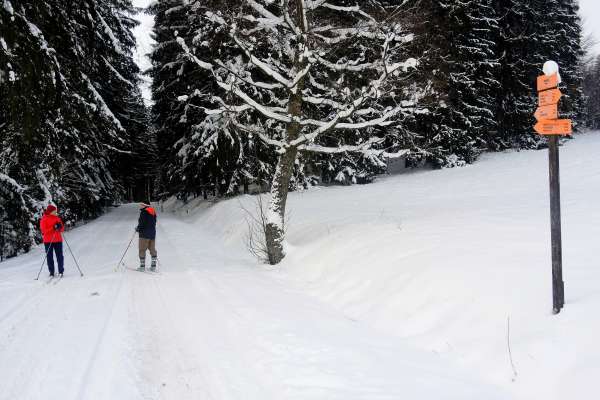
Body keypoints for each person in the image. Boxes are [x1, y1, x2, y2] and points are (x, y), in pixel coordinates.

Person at [40, 204, 65, 277]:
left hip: (58, 240)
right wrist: (53, 228)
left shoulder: (57, 218)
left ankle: (61, 271)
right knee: (49, 257)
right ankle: (51, 272)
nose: (55, 212)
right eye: (54, 211)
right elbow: (44, 231)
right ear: (50, 211)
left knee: (60, 256)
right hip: (48, 241)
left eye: (55, 211)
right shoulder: (44, 219)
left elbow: (62, 229)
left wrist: (60, 227)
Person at [136, 203, 157, 271]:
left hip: (144, 235)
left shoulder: (144, 212)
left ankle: (142, 267)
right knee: (152, 249)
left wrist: (138, 228)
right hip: (152, 234)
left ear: (144, 205)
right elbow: (153, 222)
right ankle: (153, 266)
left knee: (142, 249)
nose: (140, 205)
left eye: (141, 204)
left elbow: (142, 223)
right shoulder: (153, 211)